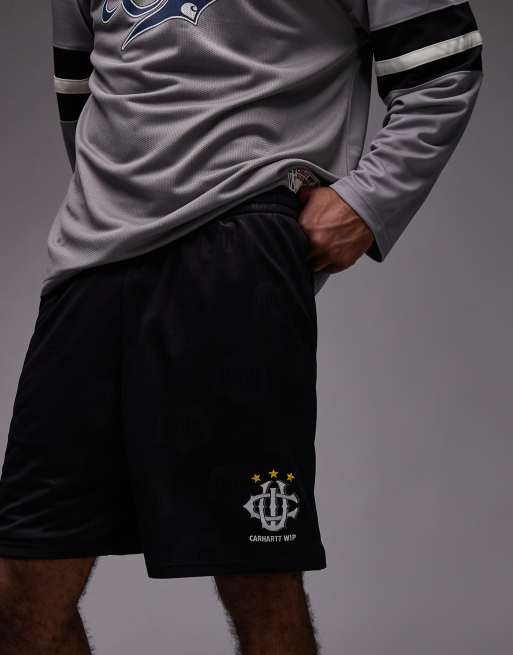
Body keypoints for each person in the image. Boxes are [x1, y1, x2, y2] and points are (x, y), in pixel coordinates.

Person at [0, 1, 483, 653]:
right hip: (91, 264)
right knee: (23, 582)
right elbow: (78, 91)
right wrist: (117, 206)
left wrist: (368, 200)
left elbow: (444, 62)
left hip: (237, 243)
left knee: (258, 572)